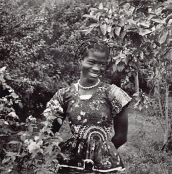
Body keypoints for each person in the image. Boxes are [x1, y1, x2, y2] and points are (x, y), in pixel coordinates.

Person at [42, 38, 132, 173]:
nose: (97, 68)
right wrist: (60, 152)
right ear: (80, 61)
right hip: (71, 164)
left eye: (102, 64)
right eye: (91, 62)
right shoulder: (64, 95)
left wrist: (103, 151)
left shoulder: (113, 94)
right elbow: (47, 132)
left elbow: (121, 137)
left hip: (103, 166)